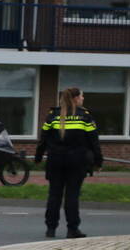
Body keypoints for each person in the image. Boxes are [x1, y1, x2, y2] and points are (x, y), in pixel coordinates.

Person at [35, 87, 102, 239]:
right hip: (77, 162)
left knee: (54, 195)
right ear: (76, 99)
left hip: (55, 161)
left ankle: (50, 229)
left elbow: (43, 139)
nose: (83, 99)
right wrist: (98, 161)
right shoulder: (85, 117)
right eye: (82, 96)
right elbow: (94, 141)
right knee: (72, 196)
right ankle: (72, 229)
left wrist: (38, 158)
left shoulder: (52, 116)